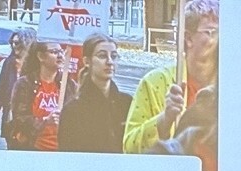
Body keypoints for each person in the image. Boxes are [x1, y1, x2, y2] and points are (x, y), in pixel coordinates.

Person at [123, 0, 218, 154]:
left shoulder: (229, 85)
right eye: (212, 32)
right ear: (188, 38)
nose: (219, 41)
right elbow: (129, 147)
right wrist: (164, 120)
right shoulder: (154, 83)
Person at [58, 33, 131, 153]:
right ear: (87, 61)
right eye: (102, 56)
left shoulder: (126, 103)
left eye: (114, 56)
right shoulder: (73, 110)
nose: (110, 61)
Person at [8, 39, 75, 152]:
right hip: (33, 148)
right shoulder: (25, 83)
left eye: (61, 51)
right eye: (54, 52)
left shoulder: (69, 84)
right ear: (41, 56)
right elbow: (19, 119)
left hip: (62, 149)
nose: (60, 56)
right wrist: (45, 121)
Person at [0, 27, 32, 149]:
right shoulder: (9, 62)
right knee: (11, 143)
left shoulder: (34, 64)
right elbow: (2, 86)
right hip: (10, 111)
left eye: (17, 43)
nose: (14, 46)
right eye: (12, 42)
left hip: (27, 113)